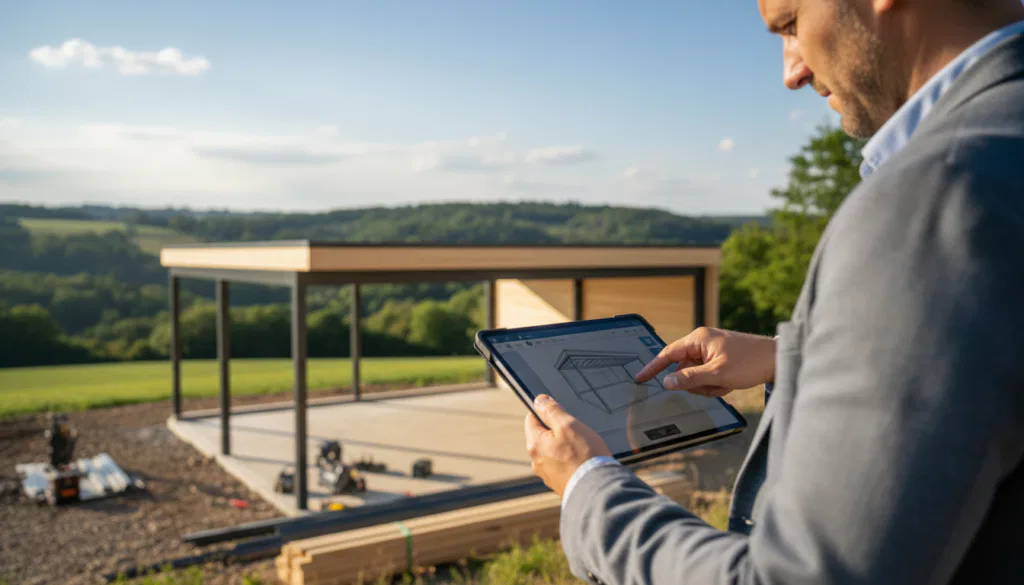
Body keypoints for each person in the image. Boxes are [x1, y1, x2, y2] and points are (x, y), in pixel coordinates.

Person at [523, 0, 1024, 583]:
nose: (792, 72)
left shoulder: (935, 197)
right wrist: (795, 359)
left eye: (790, 25)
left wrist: (589, 491)